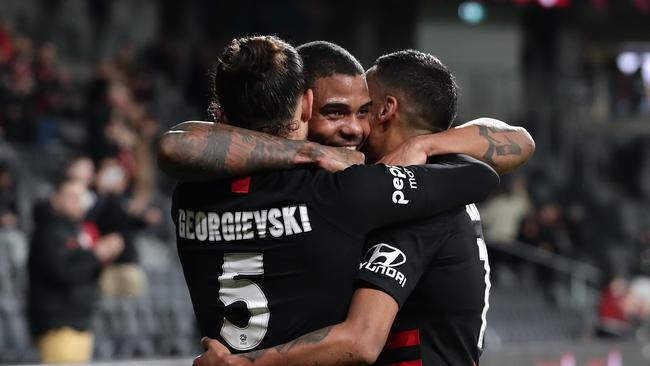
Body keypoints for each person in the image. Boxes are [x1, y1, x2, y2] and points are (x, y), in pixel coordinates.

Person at [161, 35, 501, 356]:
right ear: (307, 104)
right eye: (335, 112)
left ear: (220, 116)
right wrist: (420, 147)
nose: (354, 129)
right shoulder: (341, 192)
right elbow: (479, 175)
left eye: (363, 111)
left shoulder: (187, 196)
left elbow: (179, 144)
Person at [27, 178, 124, 363]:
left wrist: (102, 257)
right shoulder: (48, 231)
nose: (78, 201)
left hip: (78, 324)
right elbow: (63, 273)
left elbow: (83, 273)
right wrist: (96, 255)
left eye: (81, 197)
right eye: (72, 196)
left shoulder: (73, 230)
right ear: (56, 199)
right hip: (58, 326)